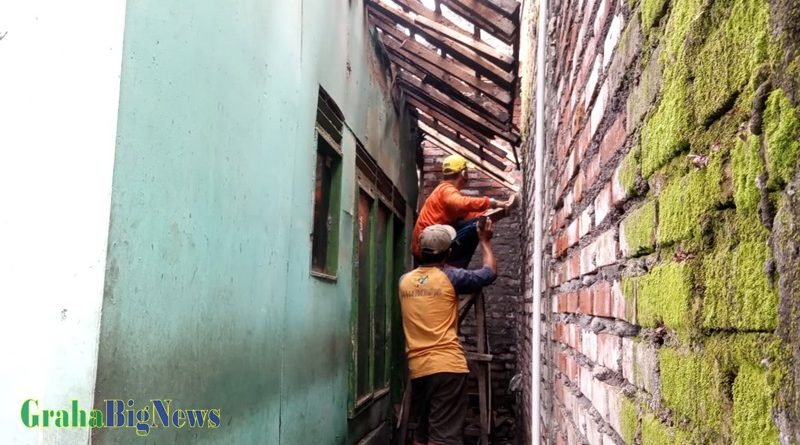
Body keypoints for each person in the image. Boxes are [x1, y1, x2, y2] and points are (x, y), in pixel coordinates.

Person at [399, 221, 498, 445]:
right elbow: (489, 273)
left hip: (418, 369)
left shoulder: (404, 281)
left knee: (422, 435)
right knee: (443, 439)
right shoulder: (451, 278)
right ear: (449, 253)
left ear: (420, 250)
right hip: (448, 368)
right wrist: (485, 241)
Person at [411, 154, 516, 268]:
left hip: (427, 246)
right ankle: (454, 267)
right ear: (463, 173)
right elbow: (462, 203)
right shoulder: (446, 190)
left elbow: (467, 214)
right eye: (467, 172)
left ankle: (453, 266)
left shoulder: (444, 191)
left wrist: (490, 212)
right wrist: (492, 203)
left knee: (476, 221)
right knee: (476, 225)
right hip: (427, 248)